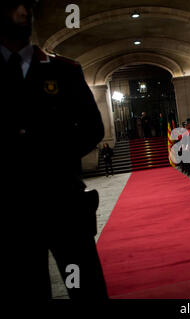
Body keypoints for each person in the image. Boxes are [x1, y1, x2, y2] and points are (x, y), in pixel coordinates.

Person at [0, 0, 108, 299]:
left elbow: (92, 128)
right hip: (9, 208)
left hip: (62, 199)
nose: (22, 12)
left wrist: (47, 157)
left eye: (26, 7)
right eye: (12, 7)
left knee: (85, 287)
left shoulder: (64, 70)